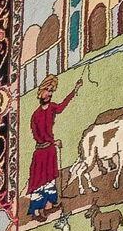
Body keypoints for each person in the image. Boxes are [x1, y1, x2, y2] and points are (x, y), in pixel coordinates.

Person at [28, 74, 84, 219]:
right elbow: (38, 136)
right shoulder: (35, 115)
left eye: (52, 91)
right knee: (40, 179)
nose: (49, 93)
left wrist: (74, 90)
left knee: (50, 178)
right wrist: (53, 142)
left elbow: (62, 106)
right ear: (41, 91)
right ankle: (36, 210)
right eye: (48, 89)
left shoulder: (52, 108)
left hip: (50, 151)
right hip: (41, 151)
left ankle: (48, 205)